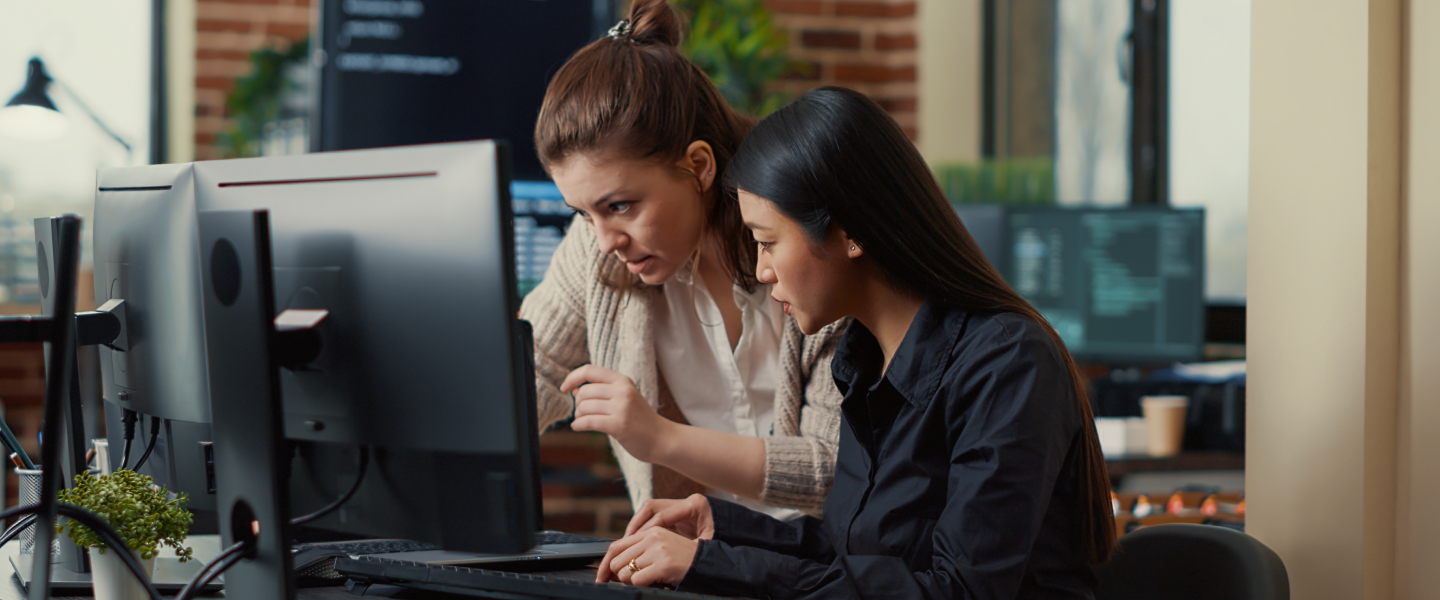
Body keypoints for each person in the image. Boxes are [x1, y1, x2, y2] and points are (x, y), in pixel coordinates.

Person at [593, 86, 1118, 599]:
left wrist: (713, 565)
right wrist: (722, 528)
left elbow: (958, 589)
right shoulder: (864, 360)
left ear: (851, 232)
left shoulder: (1006, 363)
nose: (761, 270)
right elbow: (855, 555)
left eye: (768, 242)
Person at [520, 0, 845, 519]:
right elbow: (523, 379)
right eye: (583, 213)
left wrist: (659, 438)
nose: (606, 240)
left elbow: (835, 469)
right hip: (699, 574)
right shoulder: (596, 254)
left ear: (698, 166)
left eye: (620, 206)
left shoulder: (809, 241)